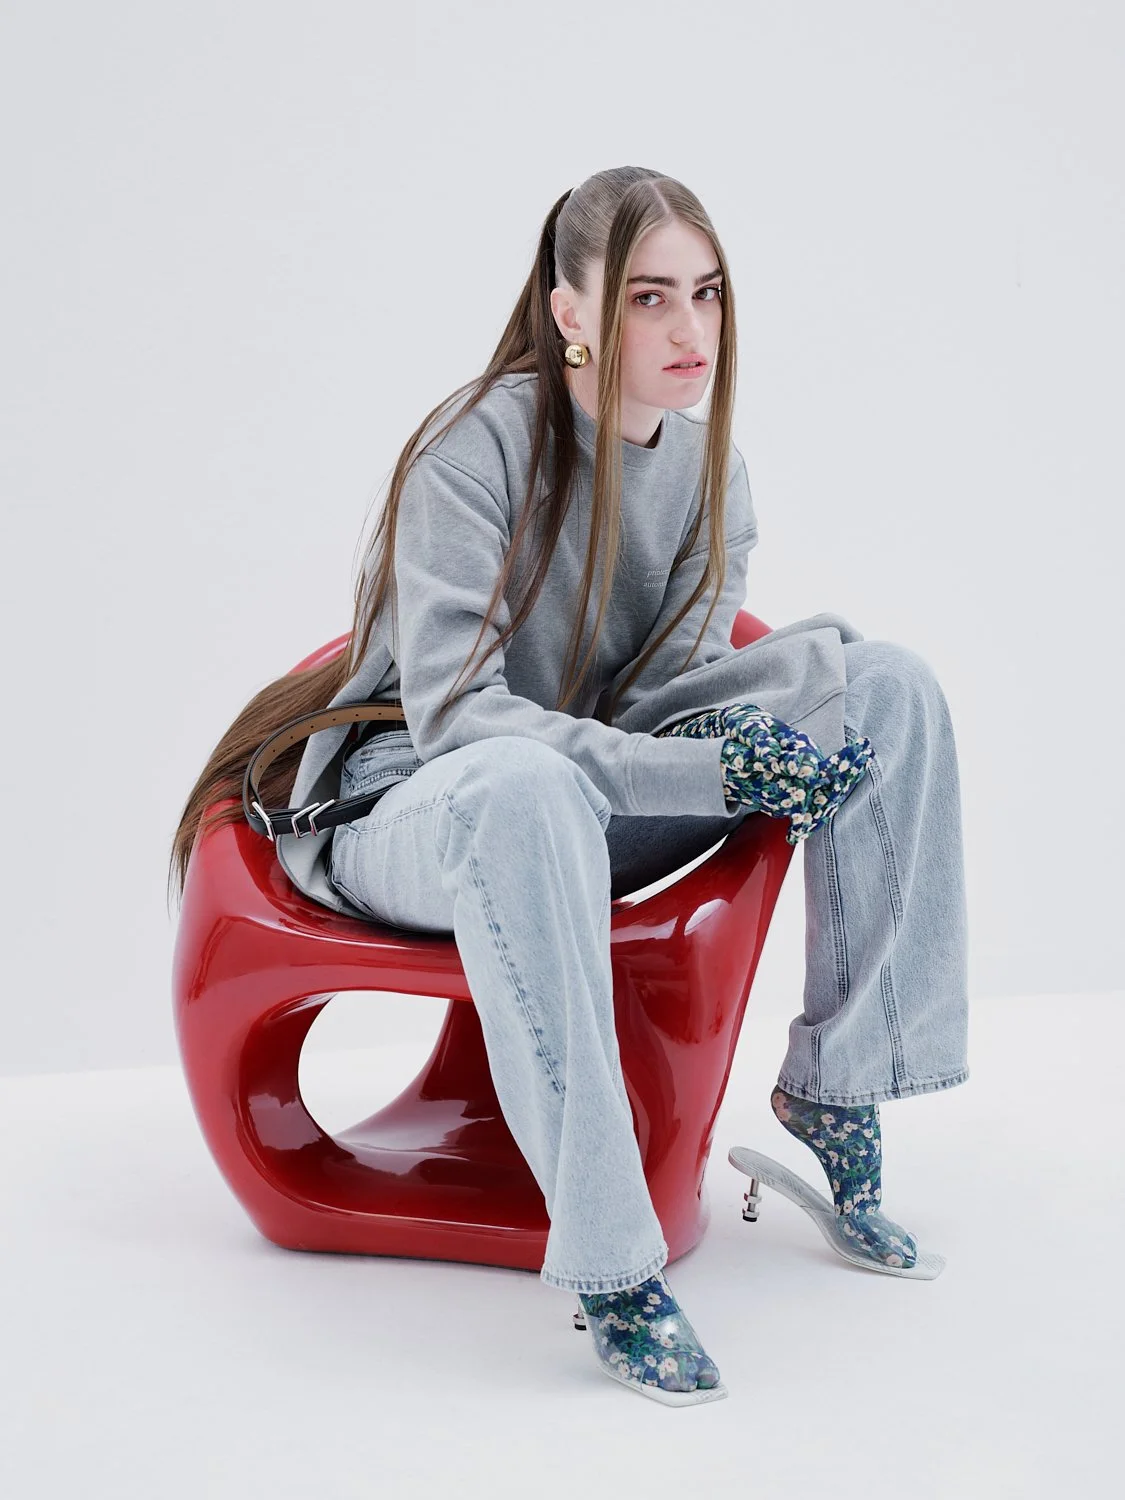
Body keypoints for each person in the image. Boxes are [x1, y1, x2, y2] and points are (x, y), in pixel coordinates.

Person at [168, 165, 970, 1409]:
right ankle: (608, 1259)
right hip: (422, 805)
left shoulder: (711, 472)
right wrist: (708, 767)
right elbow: (459, 720)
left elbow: (672, 695)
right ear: (571, 313)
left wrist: (748, 744)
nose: (690, 329)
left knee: (889, 688)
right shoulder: (472, 447)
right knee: (524, 783)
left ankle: (840, 1088)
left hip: (586, 804)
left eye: (708, 293)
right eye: (650, 297)